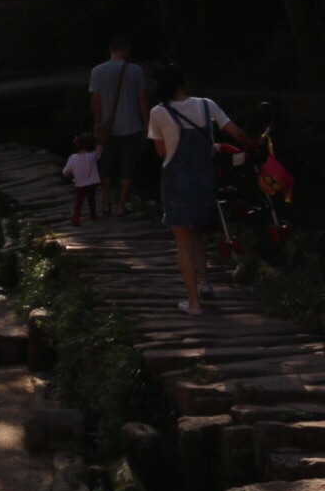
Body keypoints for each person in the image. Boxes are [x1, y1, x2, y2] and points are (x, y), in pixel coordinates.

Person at [147, 63, 250, 316]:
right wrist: (251, 143)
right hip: (205, 179)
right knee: (198, 233)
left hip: (177, 181)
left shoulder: (158, 112)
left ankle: (193, 304)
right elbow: (234, 132)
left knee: (182, 240)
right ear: (183, 83)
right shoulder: (207, 105)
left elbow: (161, 152)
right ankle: (205, 283)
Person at [89, 37, 149, 215]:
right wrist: (147, 122)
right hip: (132, 126)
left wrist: (97, 123)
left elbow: (96, 99)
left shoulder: (97, 71)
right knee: (127, 167)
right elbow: (142, 98)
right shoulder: (136, 71)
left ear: (110, 49)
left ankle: (106, 203)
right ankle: (122, 205)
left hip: (109, 130)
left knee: (107, 165)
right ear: (127, 49)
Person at [62, 133, 102, 226]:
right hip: (92, 183)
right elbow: (99, 151)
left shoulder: (73, 158)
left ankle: (75, 217)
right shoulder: (92, 156)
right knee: (91, 199)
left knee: (79, 202)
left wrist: (70, 172)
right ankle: (93, 215)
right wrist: (99, 141)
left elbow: (65, 172)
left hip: (80, 184)